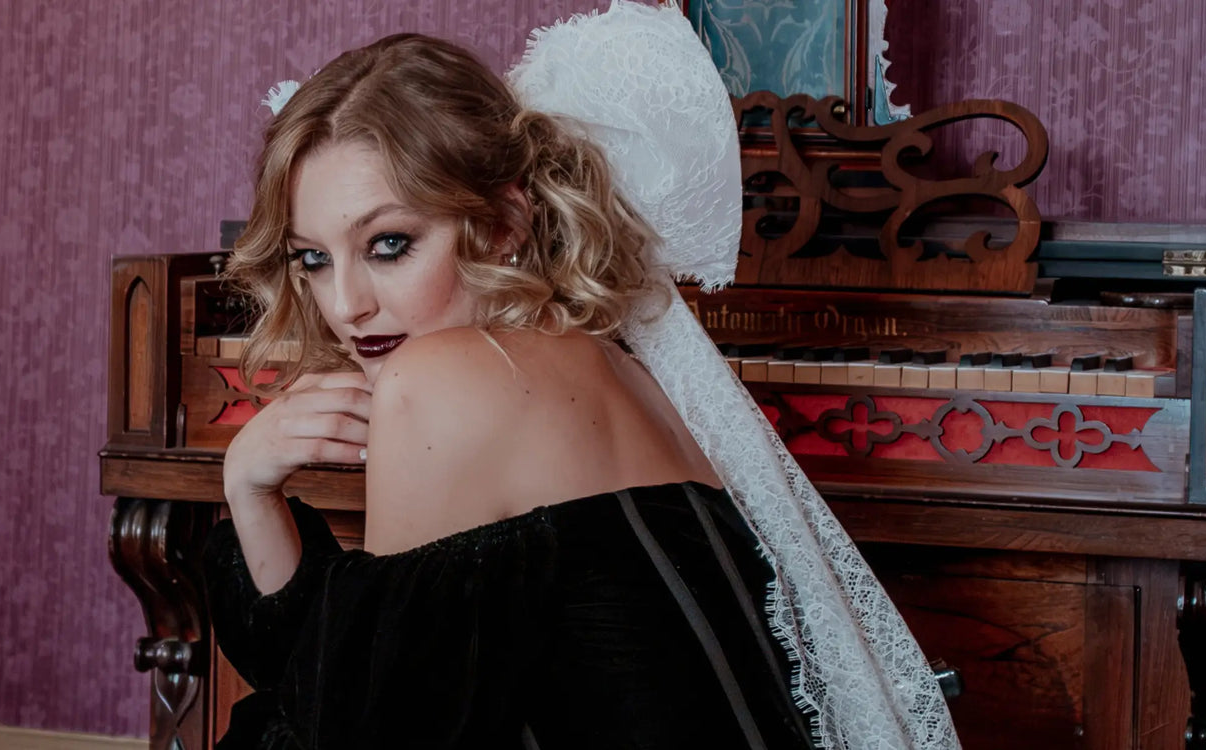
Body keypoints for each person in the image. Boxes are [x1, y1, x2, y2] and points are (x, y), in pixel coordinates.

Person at [205, 3, 957, 749]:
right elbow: (349, 678)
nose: (346, 305)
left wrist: (244, 482)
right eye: (312, 258)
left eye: (390, 244)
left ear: (505, 223)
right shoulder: (614, 361)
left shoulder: (449, 376)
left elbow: (360, 728)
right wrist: (251, 486)